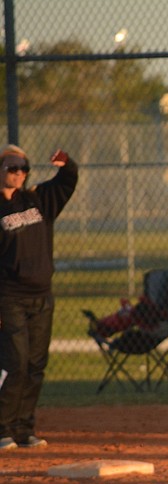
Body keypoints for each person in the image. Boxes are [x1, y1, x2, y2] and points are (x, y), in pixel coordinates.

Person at [0, 145, 78, 450]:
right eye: (12, 167)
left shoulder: (37, 200)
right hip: (10, 298)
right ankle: (2, 427)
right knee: (14, 363)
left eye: (23, 168)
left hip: (42, 296)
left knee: (35, 364)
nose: (19, 173)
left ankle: (23, 428)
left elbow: (67, 182)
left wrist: (67, 163)